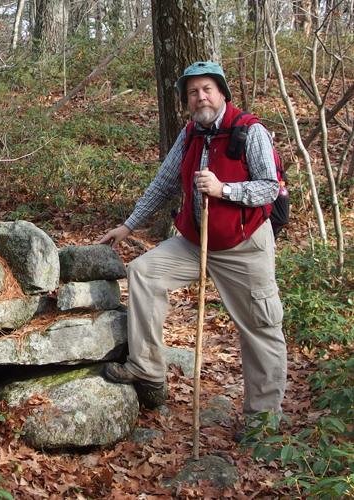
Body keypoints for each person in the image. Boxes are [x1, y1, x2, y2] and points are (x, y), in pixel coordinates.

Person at [99, 61, 287, 430]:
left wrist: (224, 190)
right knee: (144, 272)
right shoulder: (190, 134)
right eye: (192, 92)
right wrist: (127, 226)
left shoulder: (251, 132)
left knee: (260, 328)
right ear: (186, 101)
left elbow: (269, 185)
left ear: (222, 93)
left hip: (244, 246)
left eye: (207, 89)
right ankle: (148, 368)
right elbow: (164, 183)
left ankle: (263, 421)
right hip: (195, 241)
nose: (200, 97)